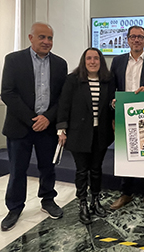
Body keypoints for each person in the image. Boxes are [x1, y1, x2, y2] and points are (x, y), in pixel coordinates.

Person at [0, 22, 67, 231]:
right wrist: (33, 119)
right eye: (42, 37)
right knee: (17, 169)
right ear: (30, 38)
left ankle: (48, 200)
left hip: (47, 127)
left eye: (50, 38)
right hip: (20, 127)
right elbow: (8, 93)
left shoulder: (60, 64)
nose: (47, 42)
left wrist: (47, 118)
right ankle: (14, 207)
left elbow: (62, 98)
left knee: (48, 167)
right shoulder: (13, 60)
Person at [56, 48, 115, 225]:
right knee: (82, 171)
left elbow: (111, 104)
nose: (92, 61)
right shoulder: (73, 79)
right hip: (78, 133)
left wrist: (113, 105)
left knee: (96, 170)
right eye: (89, 58)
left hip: (101, 133)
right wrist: (61, 129)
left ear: (101, 61)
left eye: (96, 58)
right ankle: (82, 203)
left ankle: (95, 200)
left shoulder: (108, 80)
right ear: (84, 60)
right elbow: (64, 105)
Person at [109, 25, 144, 213]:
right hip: (124, 116)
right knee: (125, 155)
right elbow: (111, 88)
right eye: (133, 37)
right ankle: (126, 192)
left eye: (140, 37)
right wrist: (113, 109)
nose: (136, 40)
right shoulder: (117, 61)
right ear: (128, 40)